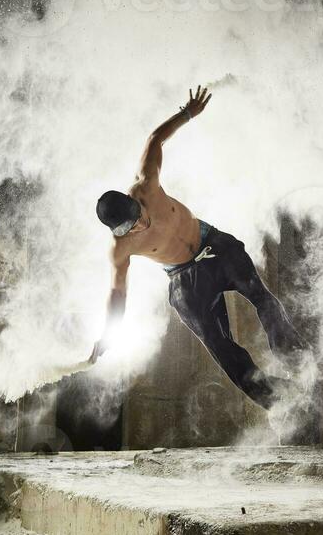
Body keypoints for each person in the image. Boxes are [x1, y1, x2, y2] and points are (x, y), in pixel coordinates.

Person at [91, 87, 306, 410]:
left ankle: (301, 366)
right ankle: (281, 401)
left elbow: (155, 140)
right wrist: (110, 333)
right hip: (184, 279)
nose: (142, 226)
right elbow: (118, 293)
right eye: (132, 229)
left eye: (140, 217)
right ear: (119, 233)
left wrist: (187, 113)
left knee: (262, 298)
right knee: (219, 344)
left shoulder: (146, 184)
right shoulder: (119, 250)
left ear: (136, 202)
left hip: (214, 246)